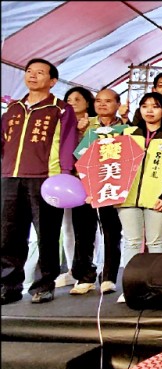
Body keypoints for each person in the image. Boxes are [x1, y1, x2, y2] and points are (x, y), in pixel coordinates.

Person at [1, 58, 79, 304]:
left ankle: (44, 285)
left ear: (52, 81)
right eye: (29, 71)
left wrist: (65, 172)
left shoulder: (61, 109)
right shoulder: (13, 108)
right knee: (8, 234)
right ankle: (9, 285)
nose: (32, 76)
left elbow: (68, 142)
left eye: (40, 72)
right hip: (10, 177)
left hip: (46, 179)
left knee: (46, 234)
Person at [68, 89, 127, 295]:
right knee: (83, 232)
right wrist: (78, 132)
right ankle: (85, 275)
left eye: (108, 101)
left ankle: (109, 276)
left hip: (112, 186)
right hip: (84, 185)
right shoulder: (85, 124)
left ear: (117, 104)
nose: (102, 105)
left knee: (111, 231)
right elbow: (69, 153)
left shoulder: (126, 128)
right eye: (99, 101)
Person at [116, 92, 162, 274]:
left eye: (155, 106)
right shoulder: (127, 133)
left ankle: (155, 282)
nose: (149, 110)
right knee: (131, 241)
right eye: (145, 106)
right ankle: (130, 284)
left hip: (158, 198)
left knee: (156, 241)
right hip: (126, 197)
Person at [61, 87, 95, 290]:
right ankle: (71, 270)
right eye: (68, 99)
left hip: (88, 183)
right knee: (67, 228)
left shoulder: (95, 125)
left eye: (77, 99)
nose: (72, 102)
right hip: (63, 182)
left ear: (88, 103)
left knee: (86, 229)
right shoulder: (61, 124)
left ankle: (87, 270)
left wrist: (83, 131)